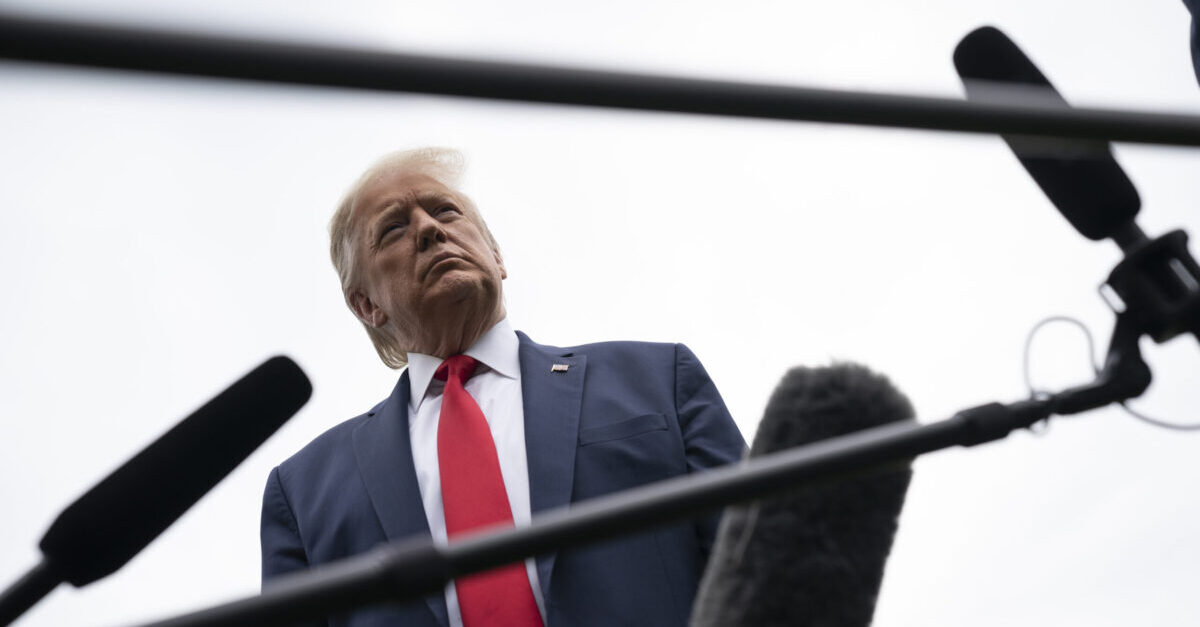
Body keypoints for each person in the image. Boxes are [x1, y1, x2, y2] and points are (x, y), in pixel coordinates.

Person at [260, 147, 746, 627]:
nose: (430, 229)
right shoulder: (304, 492)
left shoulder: (656, 378)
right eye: (394, 228)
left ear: (495, 253)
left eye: (445, 210)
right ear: (366, 305)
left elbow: (768, 564)